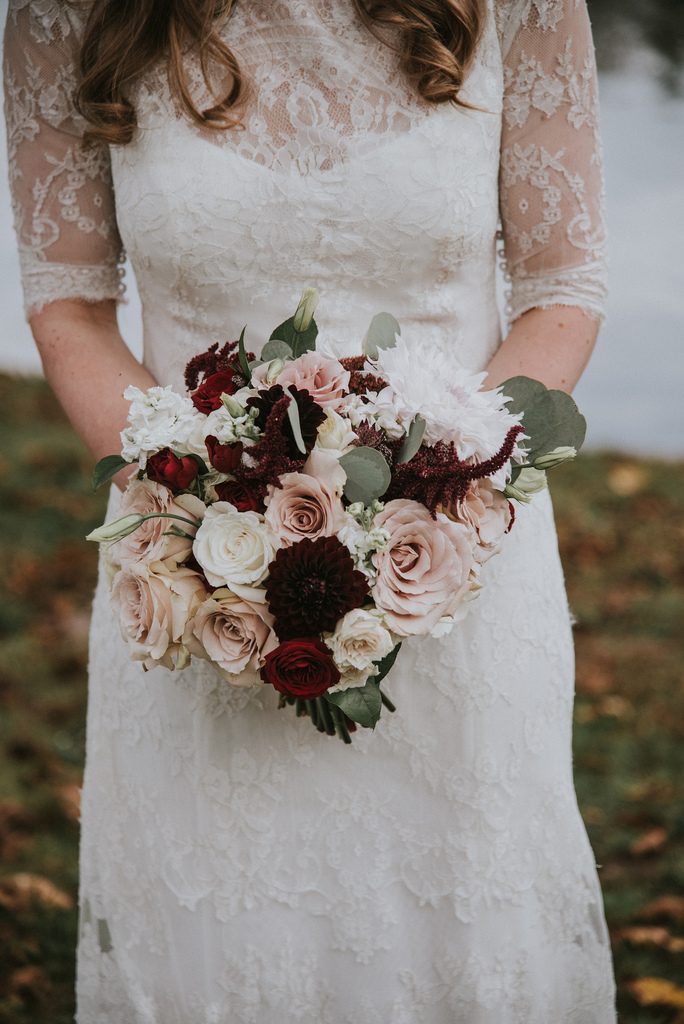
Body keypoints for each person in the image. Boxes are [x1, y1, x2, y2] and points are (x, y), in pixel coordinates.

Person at [3, 0, 617, 1020]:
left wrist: (432, 506)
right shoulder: (69, 14)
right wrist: (199, 512)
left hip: (456, 569)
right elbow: (66, 301)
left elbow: (564, 286)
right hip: (202, 582)